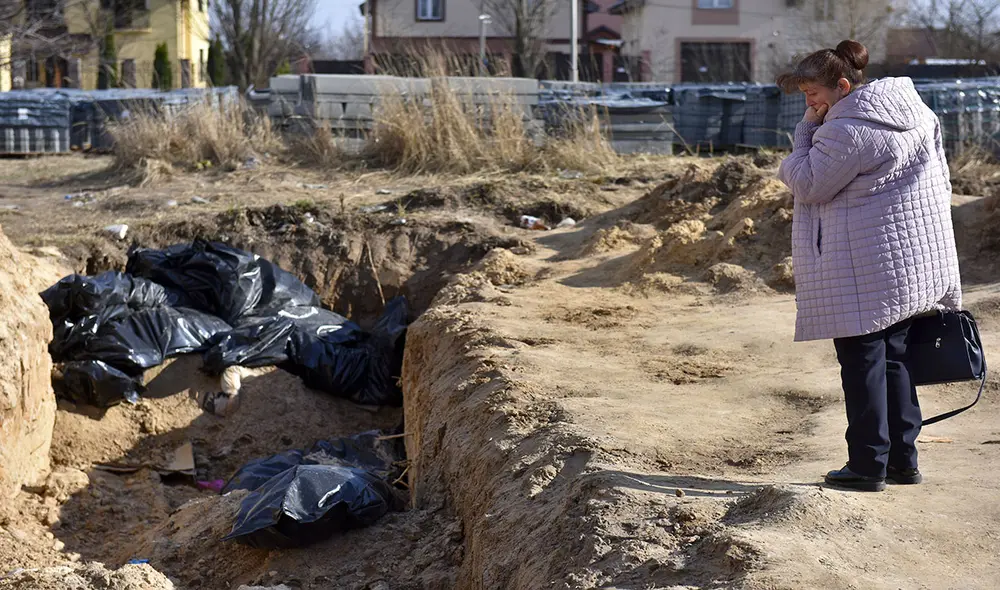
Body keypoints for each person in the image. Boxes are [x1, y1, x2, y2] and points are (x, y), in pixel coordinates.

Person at [776, 40, 963, 492]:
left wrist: (805, 130)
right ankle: (902, 461)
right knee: (895, 360)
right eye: (804, 96)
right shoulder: (915, 110)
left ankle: (866, 466)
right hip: (906, 258)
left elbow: (807, 183)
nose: (809, 102)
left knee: (862, 365)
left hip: (862, 263)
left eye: (813, 93)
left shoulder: (847, 129)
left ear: (842, 85)